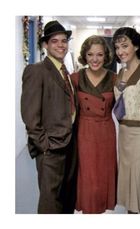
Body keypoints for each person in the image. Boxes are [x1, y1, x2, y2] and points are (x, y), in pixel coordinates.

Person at [21, 21, 78, 213]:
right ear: (46, 44)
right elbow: (30, 116)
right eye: (55, 41)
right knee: (50, 202)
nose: (61, 45)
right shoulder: (36, 71)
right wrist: (44, 146)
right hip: (50, 149)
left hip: (69, 144)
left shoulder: (65, 72)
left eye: (64, 41)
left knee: (67, 197)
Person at [70, 35, 117, 214]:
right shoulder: (74, 78)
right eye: (90, 55)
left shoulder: (115, 78)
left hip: (106, 132)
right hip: (84, 132)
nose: (95, 59)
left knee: (103, 173)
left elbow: (127, 104)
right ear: (84, 55)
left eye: (99, 54)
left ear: (106, 56)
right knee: (88, 175)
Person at [112, 27, 140, 213]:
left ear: (135, 46)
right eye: (117, 47)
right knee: (128, 176)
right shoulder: (120, 73)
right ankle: (132, 212)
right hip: (124, 134)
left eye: (125, 46)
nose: (120, 51)